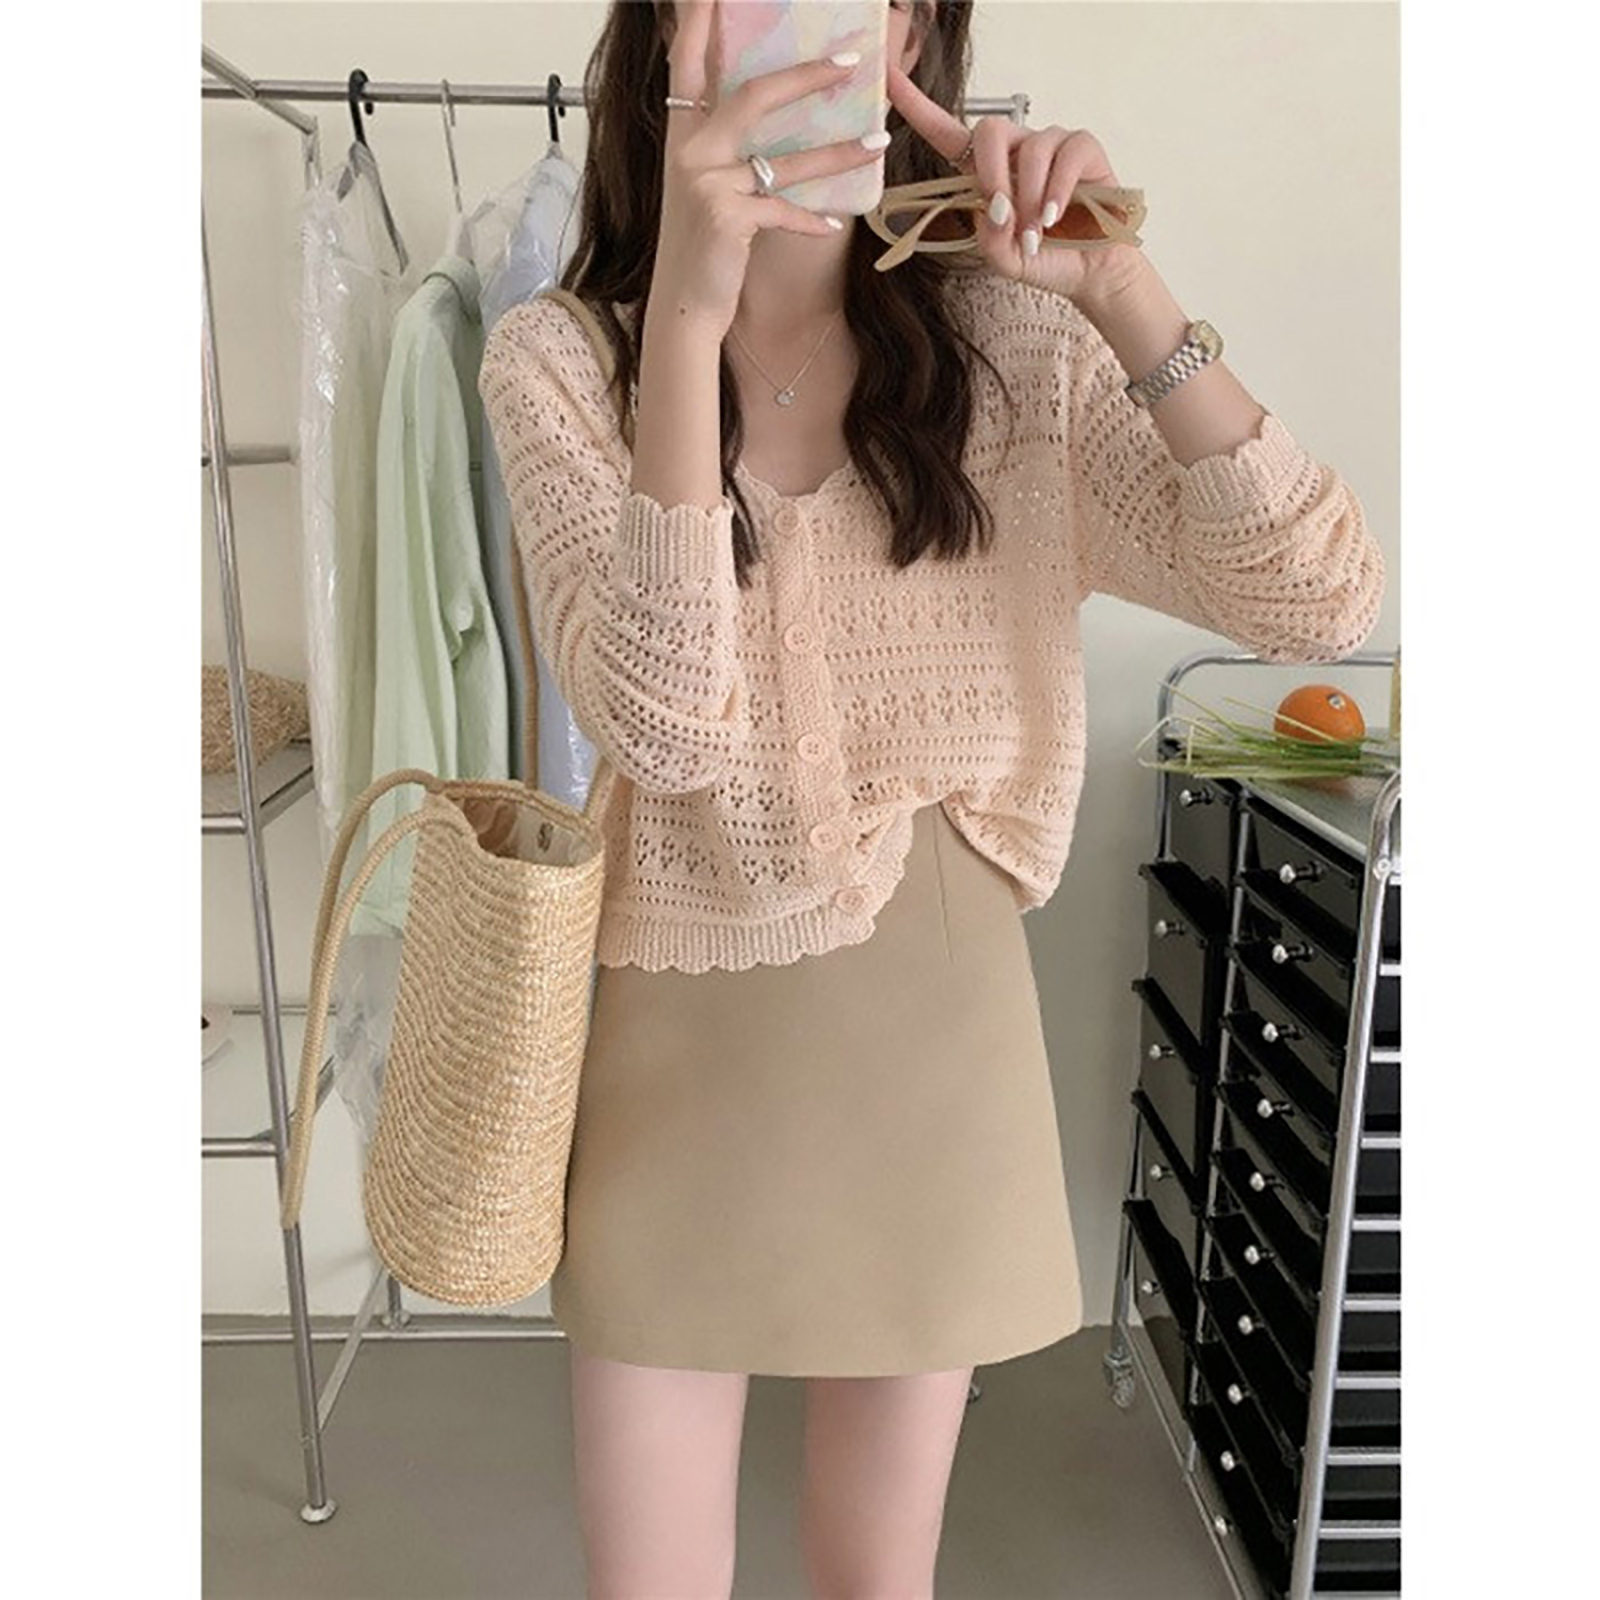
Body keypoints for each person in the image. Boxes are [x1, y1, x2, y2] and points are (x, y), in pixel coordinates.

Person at [475, 3, 1386, 1595]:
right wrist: (684, 318)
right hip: (672, 1051)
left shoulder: (1014, 353)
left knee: (876, 1582)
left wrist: (1120, 286)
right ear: (671, 26)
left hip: (935, 1053)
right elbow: (663, 729)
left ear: (908, 34)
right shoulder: (558, 360)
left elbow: (1319, 599)